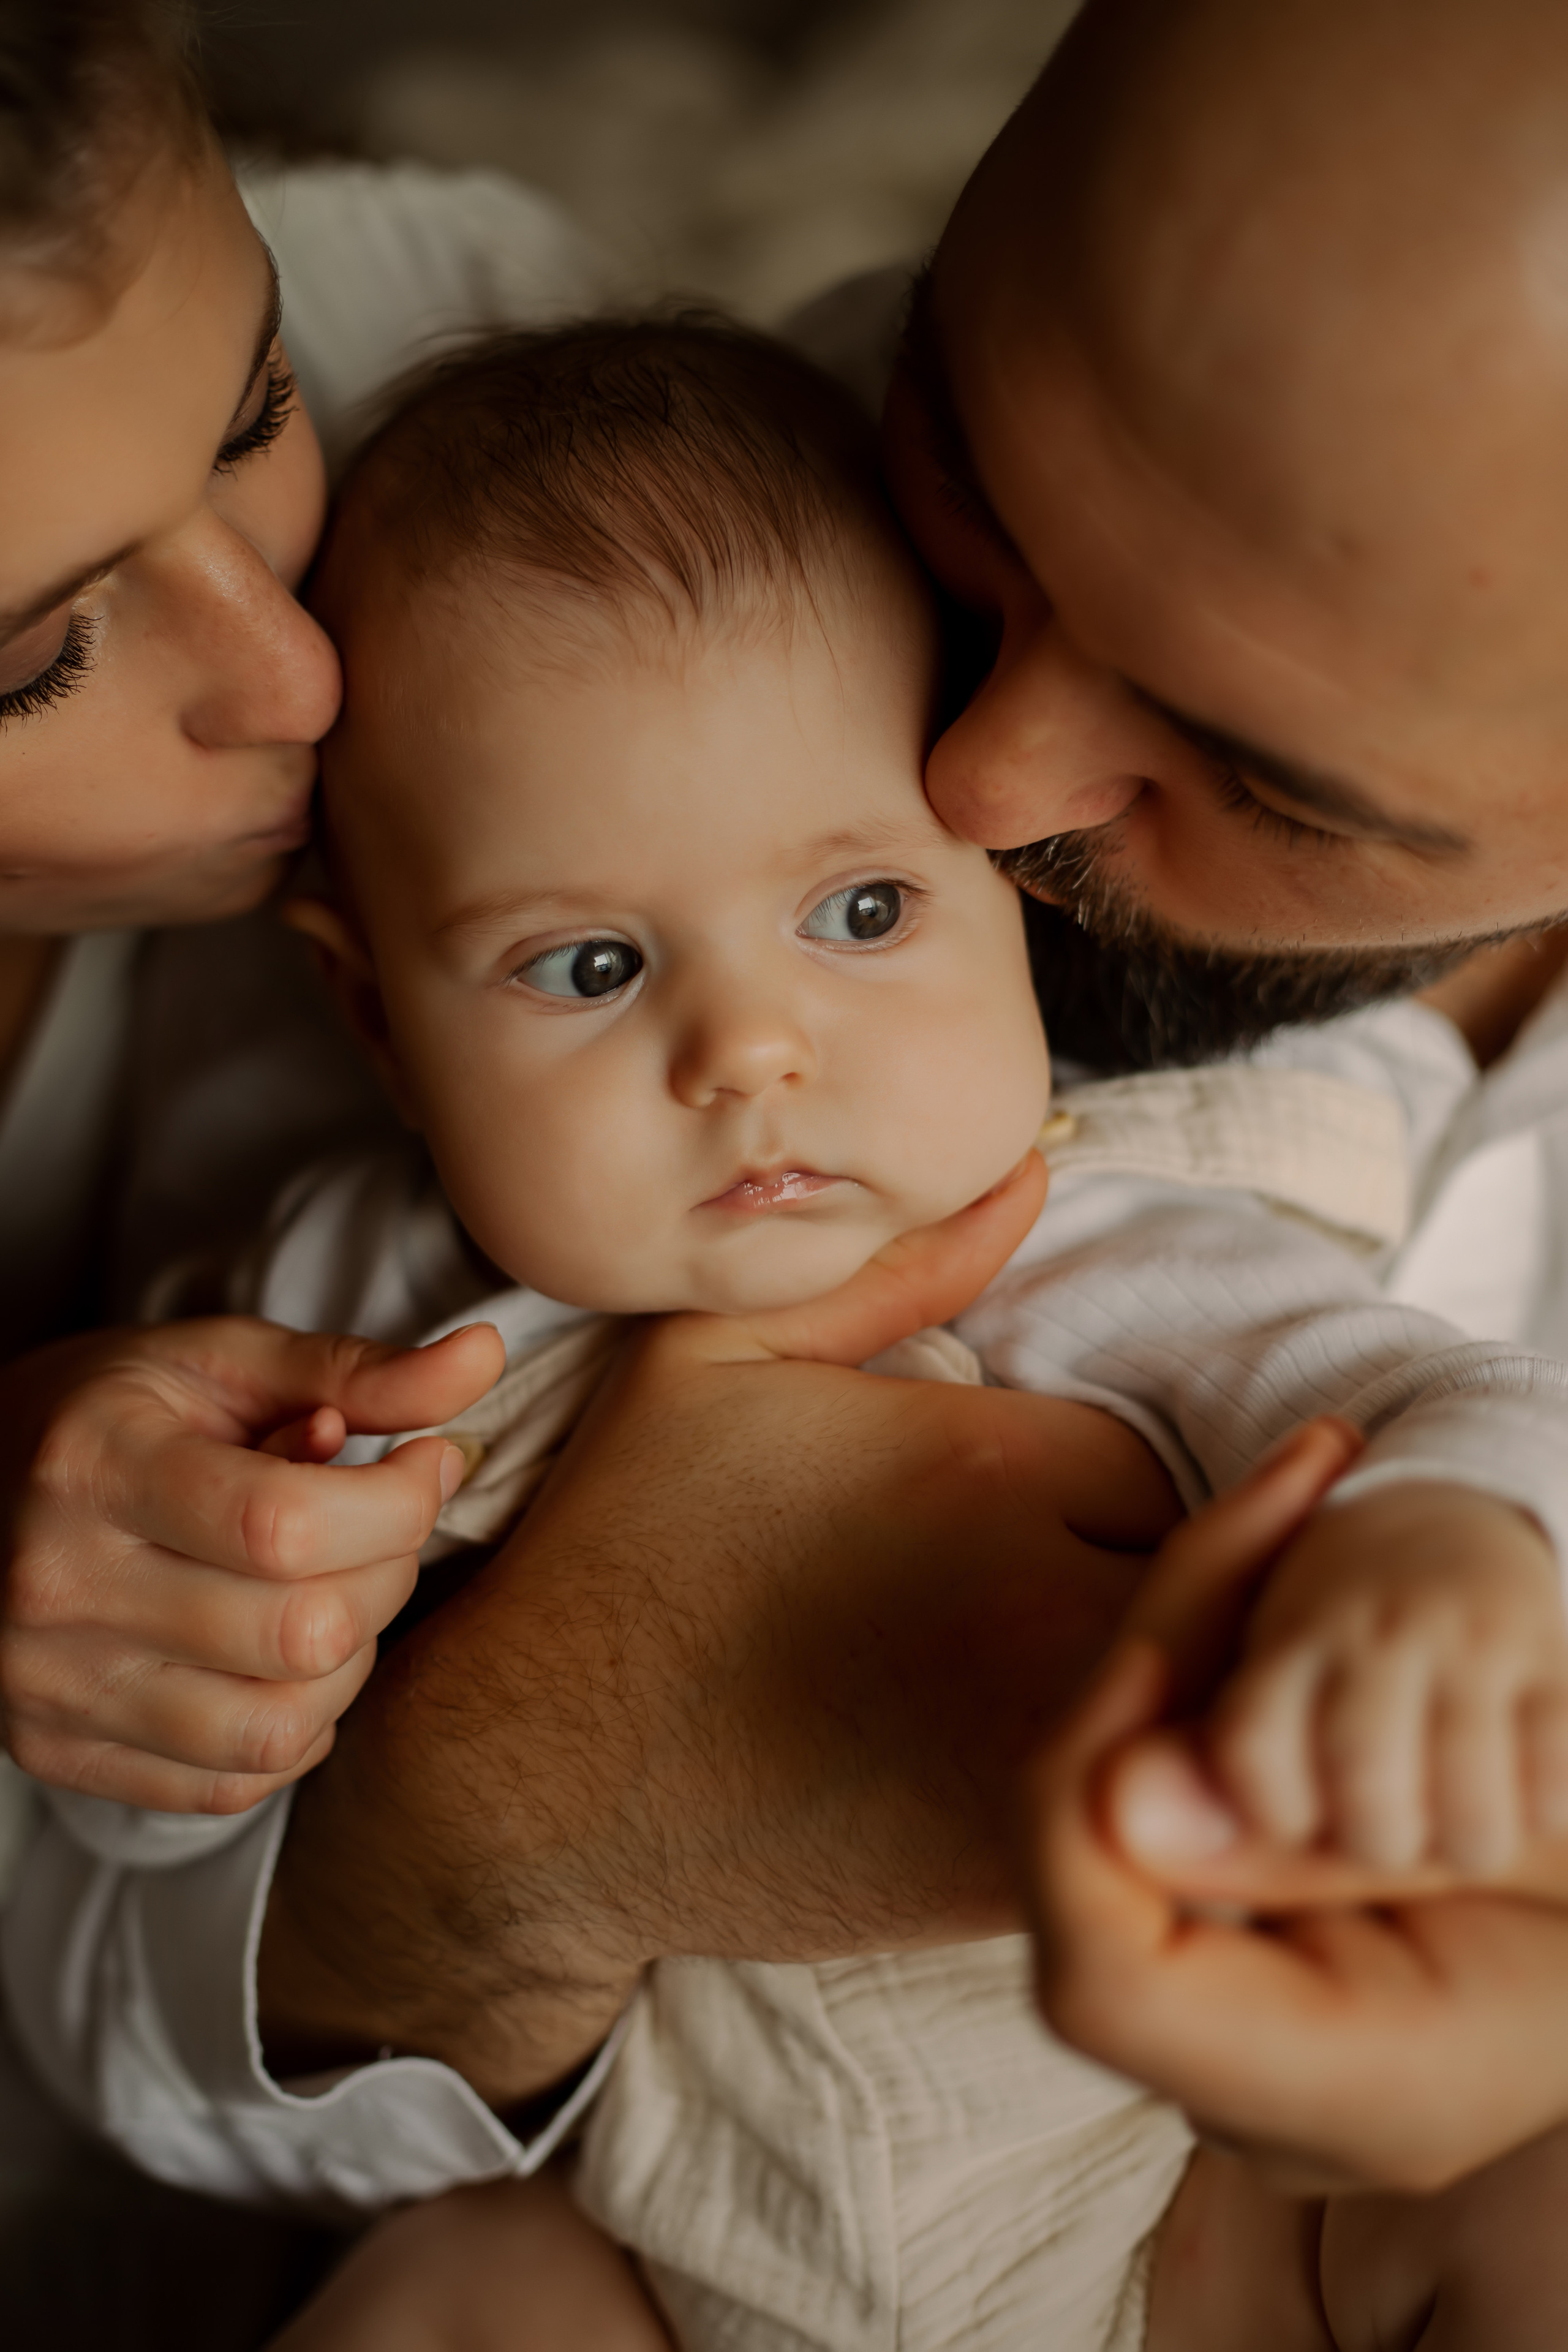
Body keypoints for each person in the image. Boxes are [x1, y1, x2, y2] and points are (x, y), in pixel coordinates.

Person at [9, 0, 1568, 2335]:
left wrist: (1455, 1611)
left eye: (1276, 786)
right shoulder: (489, 615)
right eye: (975, 466)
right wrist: (245, 1666)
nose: (983, 775)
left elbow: (1407, 1415)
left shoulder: (1130, 1239)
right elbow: (135, 1957)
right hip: (652, 2235)